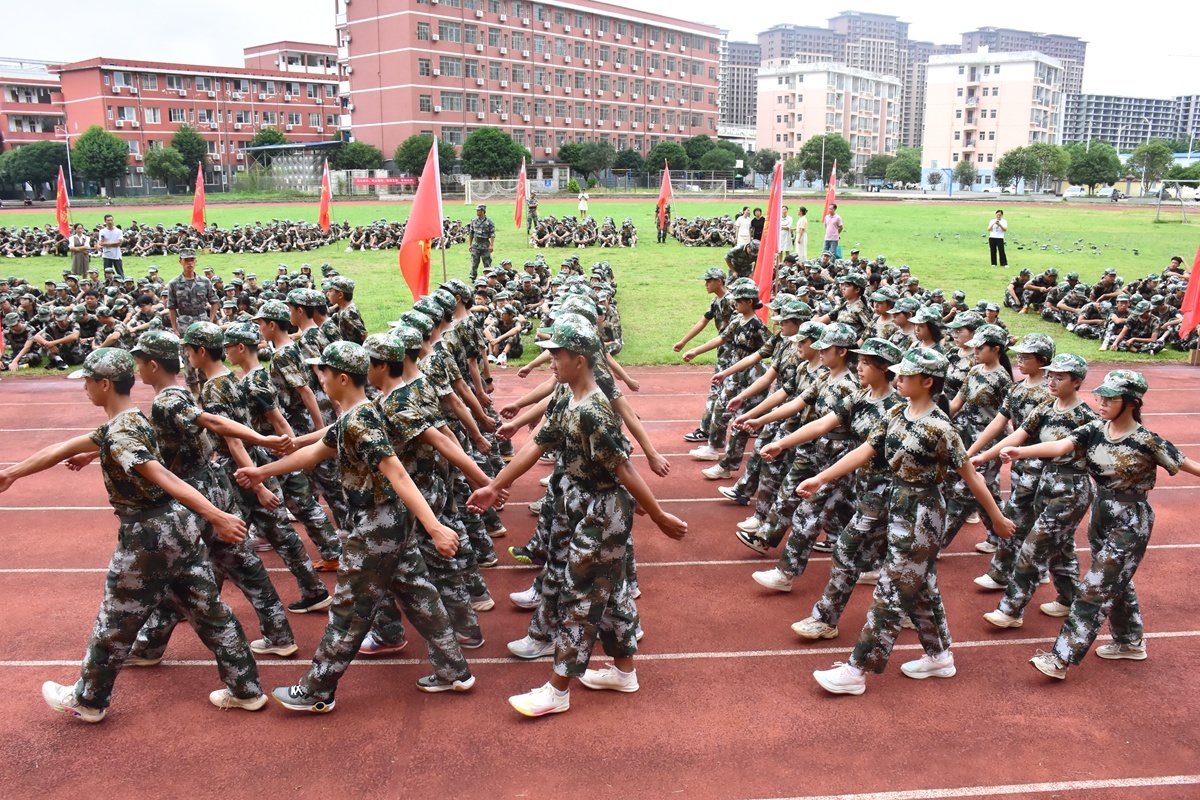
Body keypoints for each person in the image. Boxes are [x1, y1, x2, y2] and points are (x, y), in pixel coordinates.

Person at [0, 348, 266, 722]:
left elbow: (165, 477)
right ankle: (246, 689)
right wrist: (13, 473)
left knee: (116, 618)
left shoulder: (122, 433)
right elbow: (64, 447)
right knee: (210, 611)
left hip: (147, 536)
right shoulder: (132, 420)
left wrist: (218, 515)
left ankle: (88, 700)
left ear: (104, 384)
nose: (85, 390)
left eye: (89, 382)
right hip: (178, 530)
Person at [237, 341, 476, 712]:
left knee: (349, 608)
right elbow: (313, 452)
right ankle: (454, 670)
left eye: (323, 372)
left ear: (342, 377)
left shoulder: (362, 420)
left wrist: (434, 527)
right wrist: (261, 472)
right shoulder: (355, 415)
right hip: (390, 522)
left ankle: (317, 690)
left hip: (378, 526)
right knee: (417, 592)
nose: (320, 378)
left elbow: (396, 471)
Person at [467, 319, 686, 717]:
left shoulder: (594, 412)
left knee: (579, 599)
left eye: (557, 354)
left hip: (601, 513)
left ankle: (557, 689)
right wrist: (495, 485)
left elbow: (624, 468)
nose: (550, 360)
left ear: (579, 360)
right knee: (613, 594)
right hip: (582, 504)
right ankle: (624, 673)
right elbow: (537, 443)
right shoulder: (567, 397)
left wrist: (657, 515)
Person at [805, 349, 1015, 696]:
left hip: (924, 512)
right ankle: (939, 656)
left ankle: (857, 670)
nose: (897, 378)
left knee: (891, 587)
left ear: (927, 382)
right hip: (899, 504)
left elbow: (972, 477)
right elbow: (864, 452)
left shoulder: (941, 428)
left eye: (905, 375)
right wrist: (821, 478)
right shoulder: (896, 413)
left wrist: (997, 517)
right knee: (920, 586)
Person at [1003, 370, 1200, 680]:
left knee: (1095, 587)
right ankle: (1129, 642)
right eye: (1101, 396)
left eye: (1111, 398)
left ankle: (1060, 658)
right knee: (1115, 582)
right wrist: (1019, 451)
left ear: (1132, 403)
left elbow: (1189, 465)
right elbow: (1059, 447)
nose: (1103, 402)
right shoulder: (1094, 429)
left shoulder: (1147, 440)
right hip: (1101, 513)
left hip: (1131, 518)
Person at [166, 248, 218, 395]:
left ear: (195, 261)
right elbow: (171, 307)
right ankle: (194, 389)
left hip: (202, 321)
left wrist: (211, 321)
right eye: (186, 260)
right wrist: (175, 328)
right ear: (180, 261)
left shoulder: (204, 282)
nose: (189, 263)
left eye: (191, 260)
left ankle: (204, 387)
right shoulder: (174, 284)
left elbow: (214, 301)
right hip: (184, 322)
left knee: (203, 354)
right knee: (187, 356)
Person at [466, 204, 495, 281]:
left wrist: (491, 245)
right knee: (474, 263)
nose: (477, 212)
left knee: (487, 263)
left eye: (478, 210)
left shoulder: (489, 222)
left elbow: (492, 234)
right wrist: (470, 244)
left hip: (485, 244)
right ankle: (473, 277)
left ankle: (488, 278)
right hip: (476, 245)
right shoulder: (474, 221)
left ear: (483, 211)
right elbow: (471, 234)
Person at [97, 214, 124, 280]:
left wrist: (106, 244)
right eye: (108, 220)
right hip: (106, 254)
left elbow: (119, 242)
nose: (110, 222)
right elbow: (100, 242)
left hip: (116, 254)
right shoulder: (102, 231)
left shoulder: (118, 231)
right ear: (105, 221)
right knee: (107, 272)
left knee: (119, 272)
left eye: (111, 220)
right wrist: (113, 243)